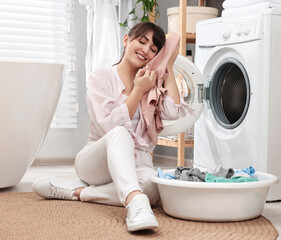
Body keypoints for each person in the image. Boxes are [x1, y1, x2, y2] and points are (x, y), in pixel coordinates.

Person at [32, 22, 187, 232]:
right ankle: (134, 201)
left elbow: (174, 112)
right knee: (120, 132)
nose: (146, 50)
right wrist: (137, 91)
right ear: (126, 40)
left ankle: (78, 192)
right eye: (142, 42)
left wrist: (167, 65)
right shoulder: (101, 77)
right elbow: (109, 126)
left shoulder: (151, 82)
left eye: (153, 49)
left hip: (136, 160)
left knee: (154, 188)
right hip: (96, 162)